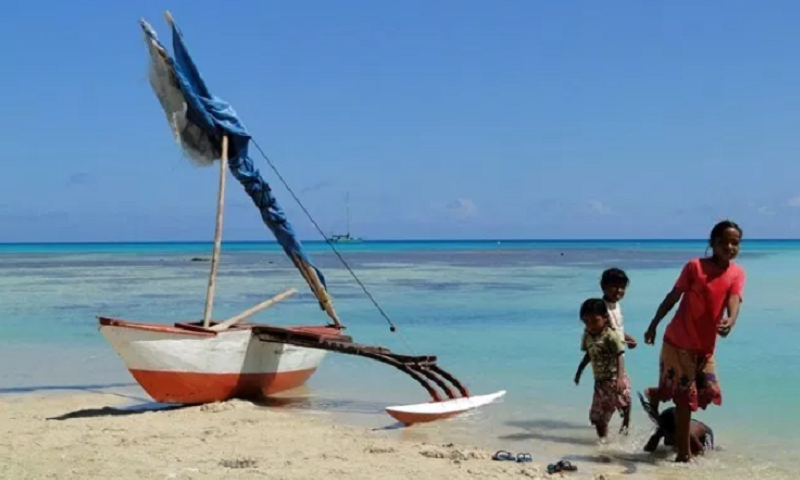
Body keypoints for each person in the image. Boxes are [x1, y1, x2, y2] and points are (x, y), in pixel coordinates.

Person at [643, 220, 745, 463]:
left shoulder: (737, 273)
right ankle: (683, 456)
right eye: (723, 242)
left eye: (735, 242)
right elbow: (673, 296)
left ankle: (658, 395)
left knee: (708, 390)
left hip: (705, 348)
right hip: (677, 343)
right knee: (685, 399)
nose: (729, 246)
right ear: (712, 243)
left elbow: (734, 298)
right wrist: (653, 324)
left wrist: (730, 320)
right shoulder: (695, 267)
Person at [575, 298, 631, 439]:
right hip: (599, 382)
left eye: (595, 321)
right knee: (598, 417)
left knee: (621, 404)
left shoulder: (610, 336)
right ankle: (603, 442)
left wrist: (619, 378)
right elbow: (589, 354)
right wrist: (579, 371)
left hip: (613, 379)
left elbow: (620, 355)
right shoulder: (587, 336)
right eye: (586, 322)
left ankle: (626, 420)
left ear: (605, 318)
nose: (590, 325)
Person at [639, 392, 715, 455]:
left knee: (704, 451)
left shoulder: (689, 435)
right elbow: (648, 450)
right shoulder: (663, 428)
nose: (666, 437)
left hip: (706, 433)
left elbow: (701, 454)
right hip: (688, 425)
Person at [600, 268, 637, 349]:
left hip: (618, 353)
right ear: (603, 286)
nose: (619, 290)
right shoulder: (600, 308)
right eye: (615, 286)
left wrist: (627, 338)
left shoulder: (616, 305)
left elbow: (615, 330)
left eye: (622, 287)